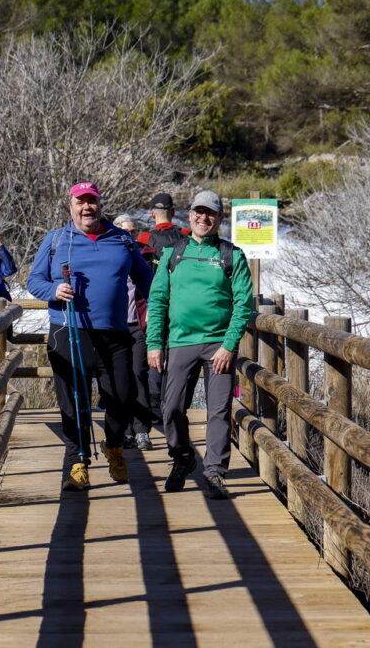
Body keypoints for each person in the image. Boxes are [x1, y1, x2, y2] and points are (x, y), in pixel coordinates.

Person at [28, 183, 153, 491]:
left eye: (91, 202)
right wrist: (54, 290)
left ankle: (113, 447)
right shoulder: (56, 240)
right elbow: (34, 280)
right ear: (70, 206)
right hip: (68, 330)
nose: (86, 208)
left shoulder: (122, 240)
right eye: (80, 202)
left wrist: (159, 307)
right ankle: (77, 461)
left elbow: (145, 278)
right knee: (73, 400)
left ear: (99, 204)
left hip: (114, 332)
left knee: (123, 396)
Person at [146, 190, 253, 497]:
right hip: (180, 342)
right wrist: (155, 343)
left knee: (218, 410)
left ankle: (215, 472)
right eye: (198, 212)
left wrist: (229, 345)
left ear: (219, 219)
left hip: (219, 344)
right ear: (189, 214)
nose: (203, 218)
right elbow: (158, 301)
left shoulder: (231, 255)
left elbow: (243, 304)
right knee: (172, 408)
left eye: (211, 213)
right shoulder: (172, 254)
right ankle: (182, 458)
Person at [112, 214, 156, 452]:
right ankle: (125, 430)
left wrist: (151, 311)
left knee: (139, 374)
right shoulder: (110, 255)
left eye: (132, 230)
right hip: (115, 325)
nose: (129, 235)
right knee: (120, 378)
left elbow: (153, 286)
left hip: (138, 324)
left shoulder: (144, 256)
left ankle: (141, 431)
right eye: (124, 230)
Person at [137, 192, 189, 269]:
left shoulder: (143, 238)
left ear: (152, 214)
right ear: (173, 212)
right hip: (181, 279)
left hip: (155, 280)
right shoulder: (187, 233)